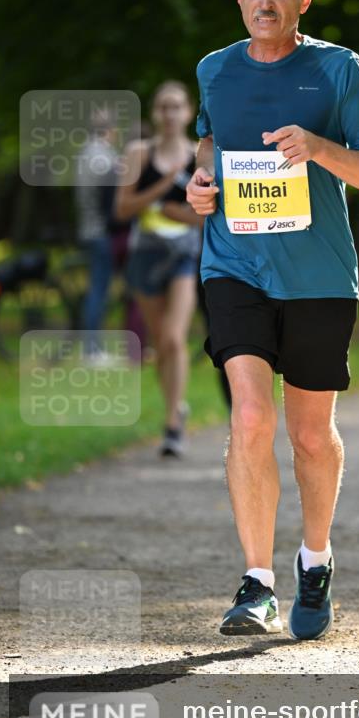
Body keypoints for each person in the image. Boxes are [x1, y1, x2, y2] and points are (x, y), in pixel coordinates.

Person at [186, 0, 359, 639]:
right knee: (249, 416)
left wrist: (320, 148)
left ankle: (314, 559)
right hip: (234, 263)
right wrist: (201, 182)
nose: (264, 2)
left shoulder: (337, 70)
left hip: (317, 275)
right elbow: (207, 139)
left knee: (309, 436)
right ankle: (256, 581)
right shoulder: (214, 69)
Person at [116, 81, 204, 457]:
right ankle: (175, 405)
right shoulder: (139, 152)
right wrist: (164, 186)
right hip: (146, 254)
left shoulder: (199, 153)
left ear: (188, 112)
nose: (169, 114)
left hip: (184, 254)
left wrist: (179, 212)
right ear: (155, 113)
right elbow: (122, 209)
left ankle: (172, 426)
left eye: (176, 107)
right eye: (163, 107)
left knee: (173, 337)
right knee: (158, 343)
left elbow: (207, 214)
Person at [75, 106, 120, 359]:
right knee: (99, 290)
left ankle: (92, 347)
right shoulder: (104, 156)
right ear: (110, 130)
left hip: (86, 227)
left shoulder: (85, 152)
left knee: (96, 288)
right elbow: (109, 198)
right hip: (100, 230)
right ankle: (92, 350)